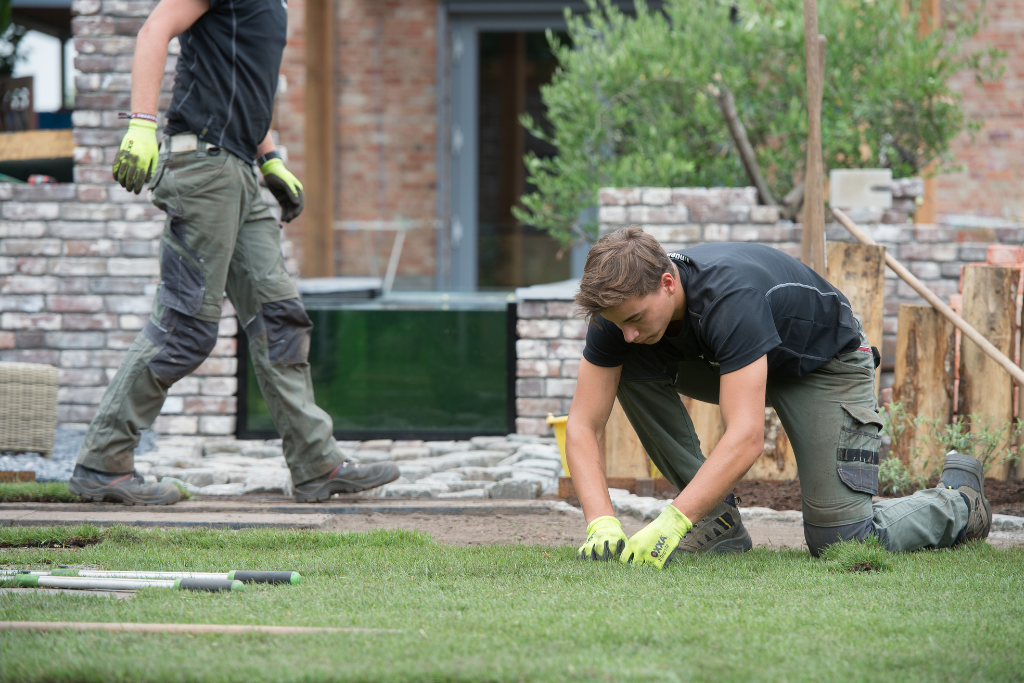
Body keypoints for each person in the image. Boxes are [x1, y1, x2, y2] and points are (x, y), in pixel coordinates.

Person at [68, 0, 399, 505]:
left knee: (279, 319)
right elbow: (155, 29)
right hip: (202, 167)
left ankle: (316, 464)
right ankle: (102, 463)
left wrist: (270, 159)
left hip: (240, 171)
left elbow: (243, 84)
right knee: (186, 328)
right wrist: (140, 124)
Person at [568, 227, 991, 567]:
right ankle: (718, 523)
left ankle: (959, 501)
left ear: (667, 283)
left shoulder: (730, 298)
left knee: (841, 540)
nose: (628, 332)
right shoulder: (619, 311)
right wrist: (600, 522)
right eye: (619, 323)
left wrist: (673, 520)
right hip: (734, 365)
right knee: (628, 362)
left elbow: (747, 436)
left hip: (823, 364)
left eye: (637, 319)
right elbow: (583, 424)